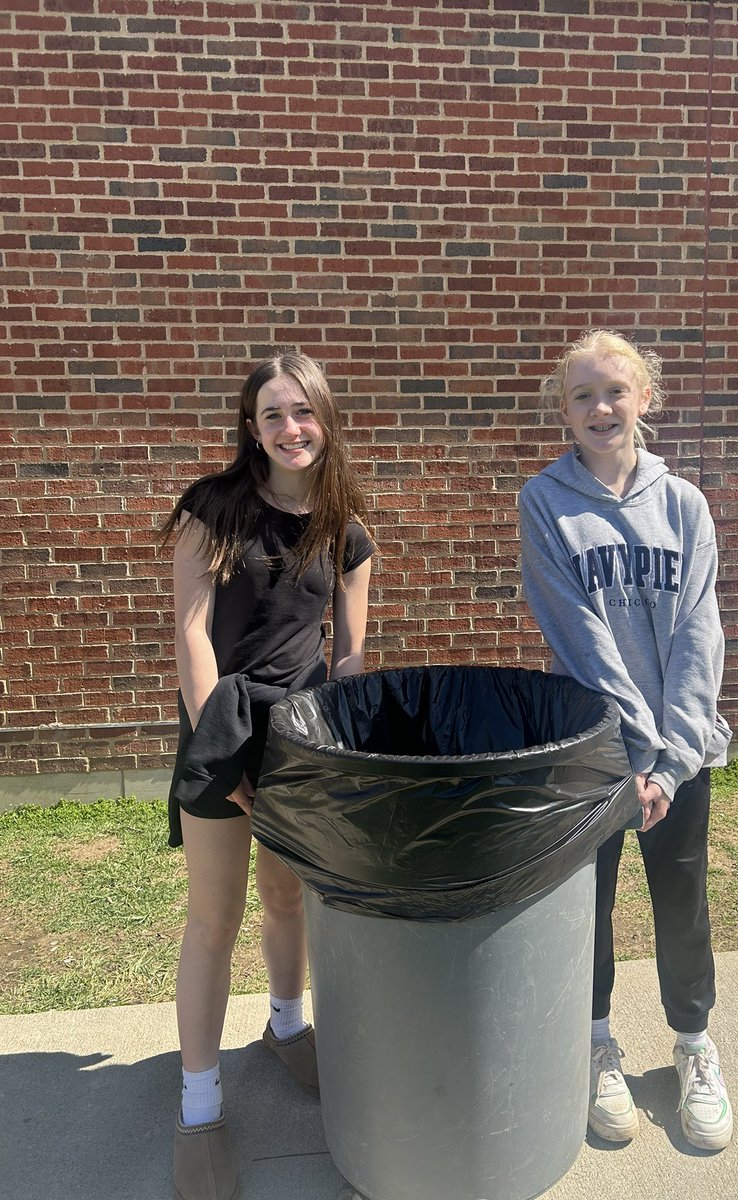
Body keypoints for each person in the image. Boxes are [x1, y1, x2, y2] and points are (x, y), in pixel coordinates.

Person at [158, 351, 374, 1200]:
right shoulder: (213, 510)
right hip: (223, 729)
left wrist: (347, 733)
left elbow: (350, 649)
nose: (292, 429)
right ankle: (199, 1106)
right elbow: (193, 637)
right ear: (252, 429)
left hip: (304, 738)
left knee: (289, 897)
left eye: (304, 412)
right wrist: (229, 752)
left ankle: (288, 1028)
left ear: (325, 419)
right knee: (214, 918)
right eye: (274, 415)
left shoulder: (343, 523)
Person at [518, 329, 734, 1152]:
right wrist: (635, 755)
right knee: (588, 907)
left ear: (645, 396)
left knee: (683, 904)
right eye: (582, 396)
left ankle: (694, 1047)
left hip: (681, 758)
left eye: (615, 390)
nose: (600, 407)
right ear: (563, 412)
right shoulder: (545, 502)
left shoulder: (684, 504)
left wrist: (672, 761)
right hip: (594, 754)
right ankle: (597, 1044)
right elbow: (579, 640)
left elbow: (698, 637)